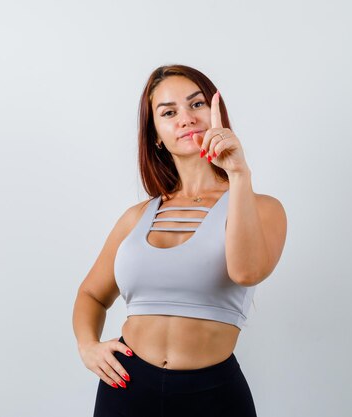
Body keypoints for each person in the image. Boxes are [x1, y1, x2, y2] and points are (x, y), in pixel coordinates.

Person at [72, 64, 287, 417]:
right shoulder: (135, 217)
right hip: (126, 387)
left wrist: (238, 173)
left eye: (196, 104)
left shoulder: (261, 206)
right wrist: (88, 346)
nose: (185, 118)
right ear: (156, 133)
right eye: (169, 112)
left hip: (213, 396)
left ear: (217, 114)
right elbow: (91, 294)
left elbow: (247, 272)